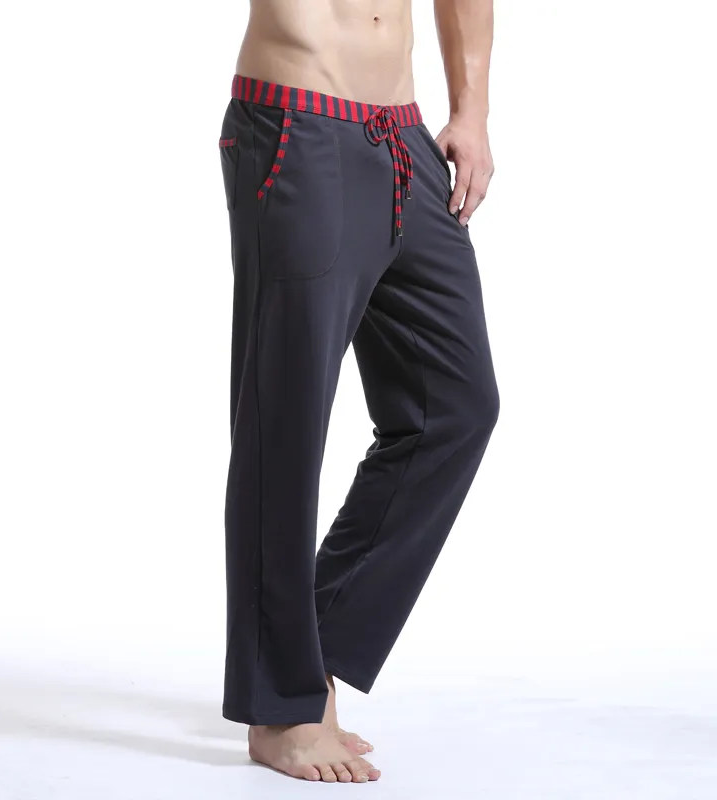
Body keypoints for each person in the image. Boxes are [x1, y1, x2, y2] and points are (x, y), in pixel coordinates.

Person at [218, 0, 497, 783]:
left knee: (455, 406)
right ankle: (282, 708)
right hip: (298, 123)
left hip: (402, 134)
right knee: (286, 424)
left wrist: (470, 112)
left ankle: (307, 651)